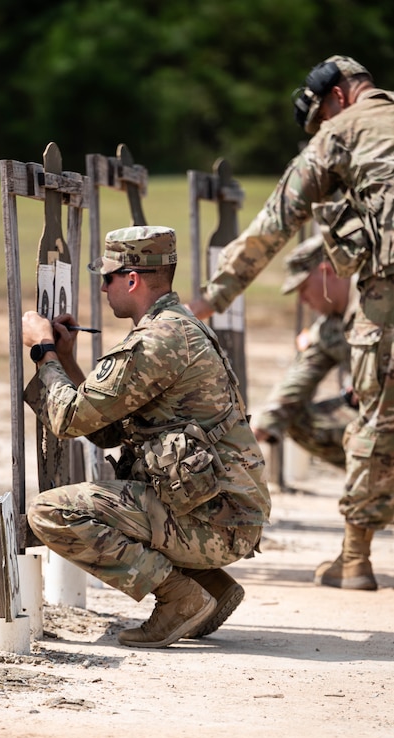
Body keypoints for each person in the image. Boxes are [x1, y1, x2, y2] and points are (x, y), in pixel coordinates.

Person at [189, 55, 394, 591]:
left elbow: (276, 221)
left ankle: (355, 559)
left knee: (378, 420)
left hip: (388, 294)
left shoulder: (339, 134)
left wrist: (212, 297)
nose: (322, 126)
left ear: (336, 97)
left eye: (320, 117)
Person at [22, 225, 271, 648]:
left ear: (132, 279)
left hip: (215, 521)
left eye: (108, 277)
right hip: (225, 512)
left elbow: (68, 419)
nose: (103, 288)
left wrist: (42, 352)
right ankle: (208, 585)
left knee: (50, 512)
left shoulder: (156, 341)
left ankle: (180, 597)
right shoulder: (177, 326)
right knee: (118, 494)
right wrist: (66, 360)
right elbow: (105, 430)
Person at [252, 234, 358, 468]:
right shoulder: (330, 328)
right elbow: (299, 379)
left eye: (304, 288)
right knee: (296, 418)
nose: (302, 300)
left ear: (325, 272)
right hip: (374, 414)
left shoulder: (378, 297)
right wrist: (257, 431)